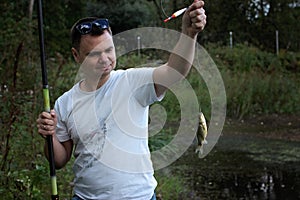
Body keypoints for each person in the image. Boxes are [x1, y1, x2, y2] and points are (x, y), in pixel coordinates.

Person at [36, 0, 206, 199]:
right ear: (76, 55)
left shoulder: (132, 82)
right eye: (94, 54)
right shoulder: (64, 103)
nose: (105, 59)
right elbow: (59, 160)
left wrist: (189, 33)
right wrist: (50, 136)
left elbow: (174, 71)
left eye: (109, 50)